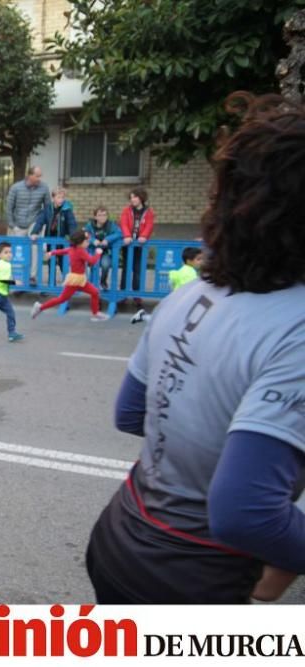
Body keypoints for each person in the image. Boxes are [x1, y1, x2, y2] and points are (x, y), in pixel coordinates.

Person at [86, 93, 305, 604]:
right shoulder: (297, 328)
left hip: (119, 540)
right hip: (192, 579)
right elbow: (243, 512)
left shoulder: (191, 293)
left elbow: (130, 413)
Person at [30, 230, 108, 321]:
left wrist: (51, 253)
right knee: (62, 299)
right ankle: (40, 307)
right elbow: (92, 261)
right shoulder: (80, 251)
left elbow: (62, 251)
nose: (88, 243)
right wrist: (98, 253)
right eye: (86, 241)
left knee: (94, 292)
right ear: (80, 242)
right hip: (76, 280)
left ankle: (95, 313)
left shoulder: (73, 249)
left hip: (79, 280)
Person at [131, 247, 203, 324]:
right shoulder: (190, 273)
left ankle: (142, 316)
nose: (201, 262)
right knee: (168, 320)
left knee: (168, 319)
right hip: (182, 301)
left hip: (178, 300)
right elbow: (189, 289)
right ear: (189, 261)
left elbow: (174, 284)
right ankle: (143, 316)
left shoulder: (185, 270)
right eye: (198, 259)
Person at [119, 187, 155, 304]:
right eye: (131, 197)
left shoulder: (148, 212)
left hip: (140, 246)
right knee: (126, 269)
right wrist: (127, 236)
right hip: (128, 245)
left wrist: (144, 236)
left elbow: (149, 225)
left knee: (138, 269)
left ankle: (137, 294)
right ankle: (123, 293)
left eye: (135, 197)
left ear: (141, 198)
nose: (132, 199)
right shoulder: (126, 210)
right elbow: (123, 224)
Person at [5, 166, 51, 237]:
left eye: (40, 176)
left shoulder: (44, 188)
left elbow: (47, 208)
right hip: (17, 226)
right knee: (16, 248)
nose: (39, 179)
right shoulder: (15, 188)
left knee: (34, 248)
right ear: (30, 176)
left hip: (34, 225)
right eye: (37, 176)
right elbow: (9, 208)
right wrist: (12, 226)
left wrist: (43, 224)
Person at [83, 206, 122, 290]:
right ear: (95, 217)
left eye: (104, 215)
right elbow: (85, 234)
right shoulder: (90, 225)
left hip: (105, 251)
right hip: (93, 251)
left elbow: (119, 233)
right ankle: (93, 287)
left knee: (105, 265)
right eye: (100, 215)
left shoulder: (111, 225)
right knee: (94, 266)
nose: (102, 217)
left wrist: (107, 239)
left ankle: (103, 281)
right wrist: (93, 240)